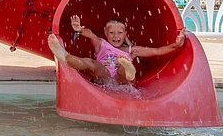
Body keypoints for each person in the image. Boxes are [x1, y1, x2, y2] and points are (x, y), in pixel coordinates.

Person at [46, 14, 185, 85]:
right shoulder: (102, 44)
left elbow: (157, 51)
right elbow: (91, 35)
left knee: (122, 69)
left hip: (122, 80)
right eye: (112, 33)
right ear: (106, 34)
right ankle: (64, 56)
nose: (116, 36)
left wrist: (175, 45)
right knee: (92, 64)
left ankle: (129, 71)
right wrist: (79, 29)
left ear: (125, 34)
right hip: (104, 76)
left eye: (119, 33)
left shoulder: (132, 50)